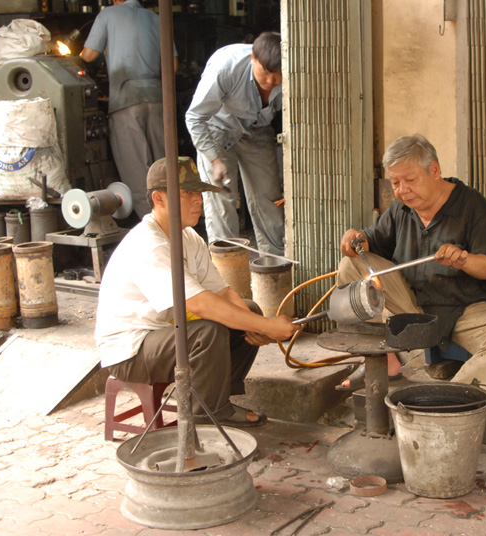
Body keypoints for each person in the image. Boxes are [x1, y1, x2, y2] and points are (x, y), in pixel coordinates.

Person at [94, 156, 299, 425]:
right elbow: (200, 304)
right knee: (208, 333)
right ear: (159, 199)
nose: (197, 200)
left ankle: (217, 400)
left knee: (248, 310)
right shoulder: (150, 243)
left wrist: (257, 325)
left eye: (198, 193)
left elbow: (222, 292)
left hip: (162, 332)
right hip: (130, 349)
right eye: (187, 193)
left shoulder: (189, 236)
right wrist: (267, 326)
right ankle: (205, 417)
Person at [337, 135, 486, 396]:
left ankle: (453, 402)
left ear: (435, 171)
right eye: (395, 183)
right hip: (414, 304)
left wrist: (464, 260)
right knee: (352, 265)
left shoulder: (471, 205)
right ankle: (384, 360)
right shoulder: (400, 209)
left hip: (466, 307)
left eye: (410, 180)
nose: (402, 190)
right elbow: (371, 243)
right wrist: (355, 238)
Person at [185, 31, 285, 256]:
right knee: (222, 200)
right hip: (217, 129)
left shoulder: (291, 69)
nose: (270, 82)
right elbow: (194, 117)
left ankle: (276, 268)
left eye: (277, 76)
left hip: (257, 130)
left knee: (269, 199)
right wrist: (215, 160)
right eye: (266, 73)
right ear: (253, 59)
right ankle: (227, 273)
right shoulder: (225, 68)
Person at [80, 0, 178, 219]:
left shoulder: (108, 15)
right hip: (158, 99)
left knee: (137, 171)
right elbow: (172, 66)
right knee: (162, 168)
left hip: (125, 100)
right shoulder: (157, 17)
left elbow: (88, 55)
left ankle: (153, 226)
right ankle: (174, 223)